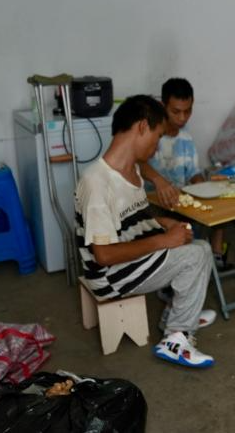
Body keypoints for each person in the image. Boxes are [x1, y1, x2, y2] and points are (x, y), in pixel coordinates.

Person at [76, 94, 217, 368]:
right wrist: (164, 240)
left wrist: (163, 223)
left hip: (131, 262)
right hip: (111, 277)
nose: (158, 144)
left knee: (196, 245)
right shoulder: (97, 182)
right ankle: (176, 337)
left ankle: (178, 315)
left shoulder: (132, 171)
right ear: (142, 127)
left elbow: (132, 219)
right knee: (197, 254)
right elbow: (103, 255)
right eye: (158, 135)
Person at [140, 78, 229, 268]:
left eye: (188, 111)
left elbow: (193, 172)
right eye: (176, 111)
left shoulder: (186, 138)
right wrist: (159, 181)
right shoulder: (149, 132)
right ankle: (178, 268)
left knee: (220, 210)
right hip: (151, 203)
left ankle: (216, 256)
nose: (182, 118)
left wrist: (204, 186)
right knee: (177, 227)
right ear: (163, 106)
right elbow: (137, 162)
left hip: (179, 203)